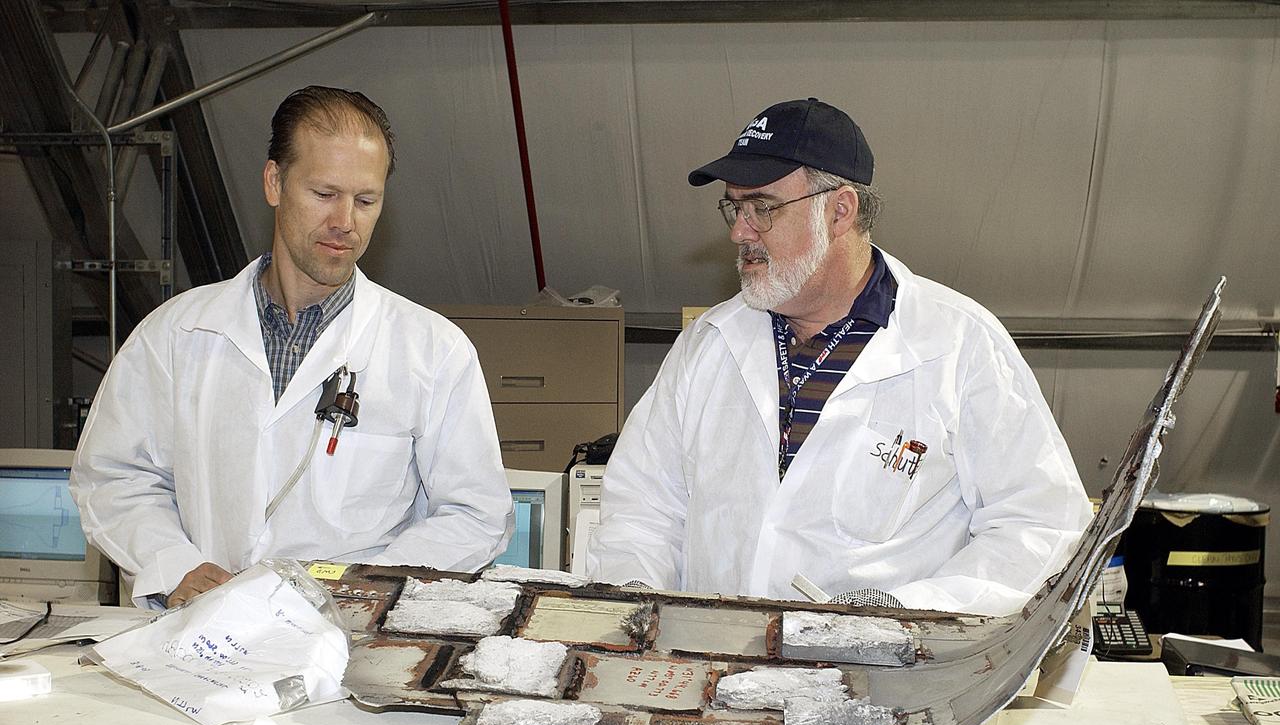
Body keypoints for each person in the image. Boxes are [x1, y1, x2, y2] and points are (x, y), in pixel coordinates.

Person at [585, 98, 1092, 616]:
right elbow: (643, 509)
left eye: (763, 207)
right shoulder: (708, 343)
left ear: (840, 210)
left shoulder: (958, 344)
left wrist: (904, 615)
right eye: (733, 207)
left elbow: (1040, 525)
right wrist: (635, 609)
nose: (740, 231)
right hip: (716, 674)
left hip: (882, 679)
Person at [71, 86, 513, 609]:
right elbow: (114, 476)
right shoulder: (177, 334)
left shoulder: (433, 350)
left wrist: (365, 586)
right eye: (324, 194)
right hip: (203, 631)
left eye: (365, 201)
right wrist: (173, 566)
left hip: (350, 642)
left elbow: (474, 513)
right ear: (274, 182)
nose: (345, 221)